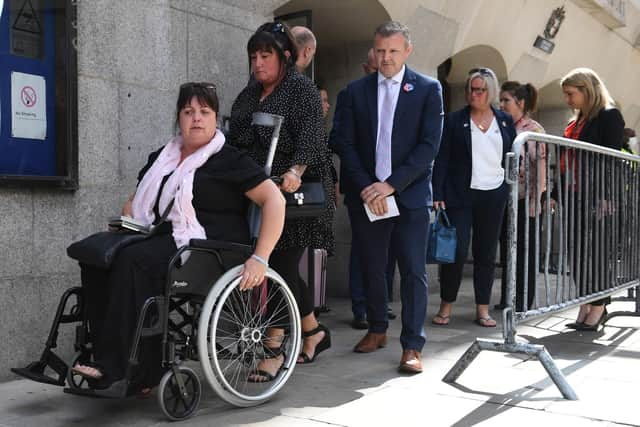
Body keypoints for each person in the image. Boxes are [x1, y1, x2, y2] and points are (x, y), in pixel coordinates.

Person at [70, 82, 286, 389]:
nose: (196, 118)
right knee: (97, 257)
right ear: (179, 118)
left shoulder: (228, 159)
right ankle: (102, 354)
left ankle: (122, 367)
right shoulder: (163, 158)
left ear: (214, 118)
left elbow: (274, 201)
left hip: (209, 248)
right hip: (161, 236)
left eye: (204, 111)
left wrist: (260, 257)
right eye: (188, 111)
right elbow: (138, 200)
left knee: (133, 260)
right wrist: (126, 223)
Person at [334, 21, 443, 374]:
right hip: (367, 195)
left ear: (407, 51)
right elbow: (344, 142)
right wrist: (369, 185)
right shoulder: (354, 92)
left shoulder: (428, 89)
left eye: (393, 51)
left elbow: (429, 146)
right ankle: (377, 329)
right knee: (373, 267)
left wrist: (391, 185)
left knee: (413, 271)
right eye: (380, 51)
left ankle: (412, 345)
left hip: (408, 196)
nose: (386, 58)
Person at [227, 22, 335, 378]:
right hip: (261, 189)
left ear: (284, 56)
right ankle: (314, 331)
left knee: (278, 265)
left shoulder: (300, 89)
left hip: (297, 191)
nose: (258, 63)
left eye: (265, 56)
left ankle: (274, 347)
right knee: (279, 265)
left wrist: (296, 170)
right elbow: (237, 137)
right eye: (253, 56)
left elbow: (312, 134)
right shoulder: (248, 94)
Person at [432, 67, 516, 328]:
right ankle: (446, 305)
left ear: (490, 92)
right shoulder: (456, 120)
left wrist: (508, 185)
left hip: (494, 195)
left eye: (480, 89)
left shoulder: (504, 120)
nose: (474, 94)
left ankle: (483, 309)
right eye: (471, 88)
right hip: (460, 195)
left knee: (486, 253)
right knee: (454, 252)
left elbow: (512, 156)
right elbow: (442, 158)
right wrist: (438, 192)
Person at [331, 48, 397, 330]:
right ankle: (361, 308)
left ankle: (379, 304)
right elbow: (338, 139)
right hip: (362, 187)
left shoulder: (397, 94)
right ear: (365, 68)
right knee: (363, 249)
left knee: (388, 250)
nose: (382, 71)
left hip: (393, 187)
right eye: (375, 68)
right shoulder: (351, 94)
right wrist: (366, 182)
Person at [558, 68, 624, 331]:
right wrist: (554, 193)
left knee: (596, 252)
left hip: (596, 195)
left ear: (587, 90)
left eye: (570, 94)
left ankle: (599, 305)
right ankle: (586, 301)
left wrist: (607, 196)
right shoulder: (578, 121)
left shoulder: (609, 116)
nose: (567, 99)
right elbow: (564, 162)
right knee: (575, 251)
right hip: (573, 193)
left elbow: (612, 159)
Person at [496, 81, 546, 311]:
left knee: (525, 250)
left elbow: (541, 169)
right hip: (503, 198)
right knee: (507, 249)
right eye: (501, 100)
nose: (501, 104)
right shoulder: (502, 124)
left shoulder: (532, 130)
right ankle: (508, 297)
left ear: (520, 103)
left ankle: (523, 300)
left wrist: (536, 202)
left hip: (526, 200)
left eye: (506, 100)